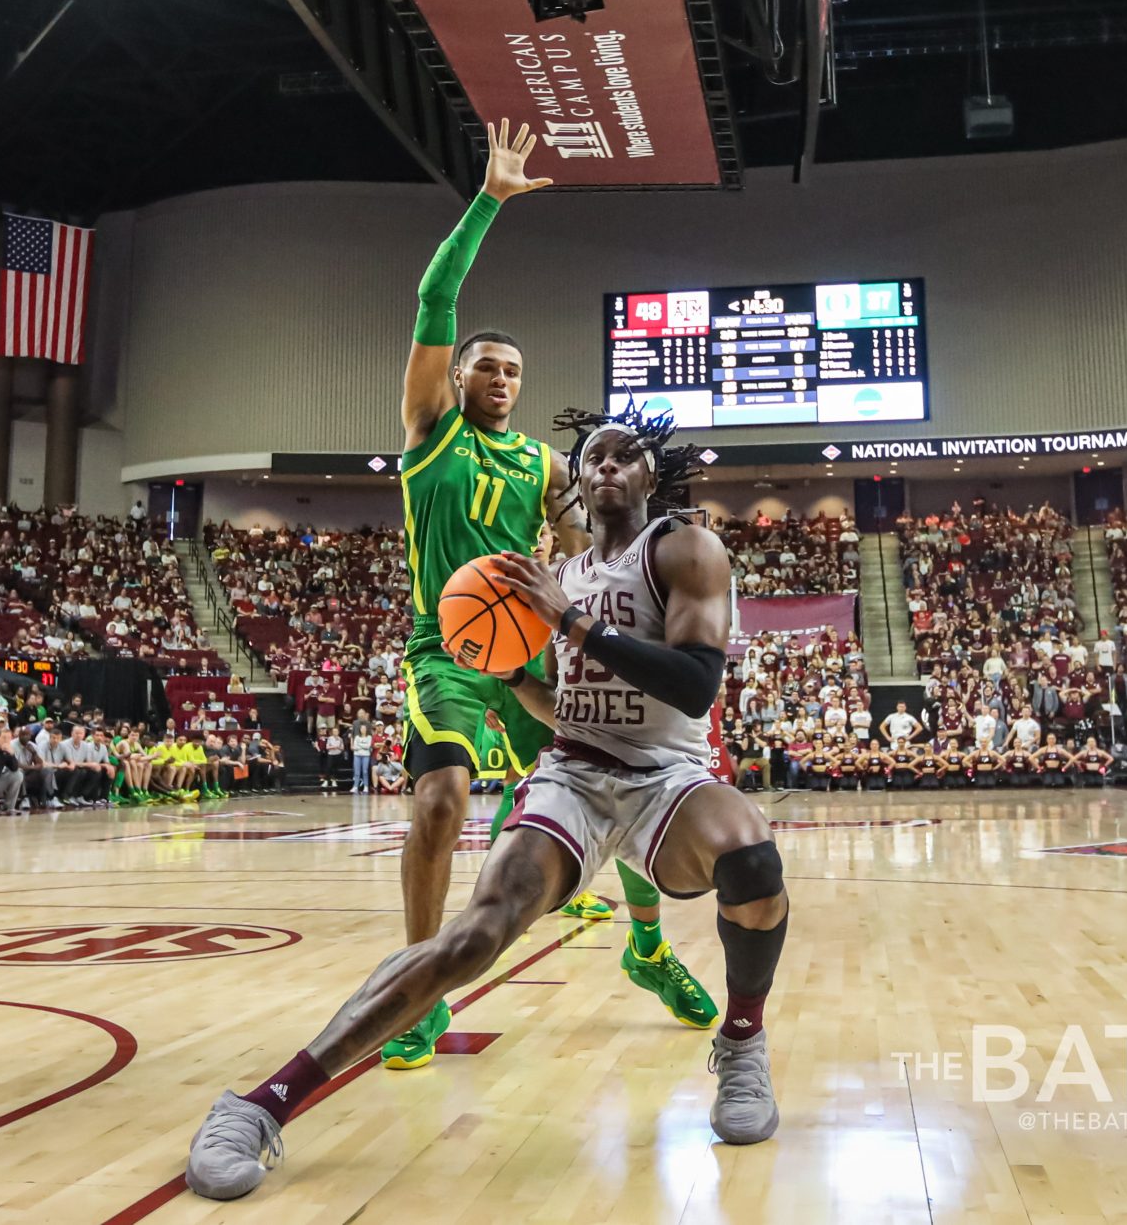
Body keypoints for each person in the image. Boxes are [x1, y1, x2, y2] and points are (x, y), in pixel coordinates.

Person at [186, 407, 788, 1199]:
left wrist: (566, 622)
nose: (607, 466)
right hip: (574, 773)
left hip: (665, 776)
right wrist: (508, 671)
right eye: (593, 457)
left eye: (625, 456)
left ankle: (742, 1041)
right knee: (475, 935)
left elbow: (696, 681)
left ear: (650, 474)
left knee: (750, 854)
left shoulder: (684, 548)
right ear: (576, 482)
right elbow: (561, 705)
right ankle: (261, 1104)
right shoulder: (561, 578)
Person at [385, 123, 709, 1068]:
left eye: (514, 370)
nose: (501, 378)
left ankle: (649, 949)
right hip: (444, 648)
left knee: (622, 782)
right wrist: (490, 195)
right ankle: (418, 988)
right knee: (440, 799)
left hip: (529, 648)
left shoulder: (544, 463)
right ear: (456, 375)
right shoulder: (428, 431)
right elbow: (435, 293)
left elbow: (586, 559)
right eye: (486, 364)